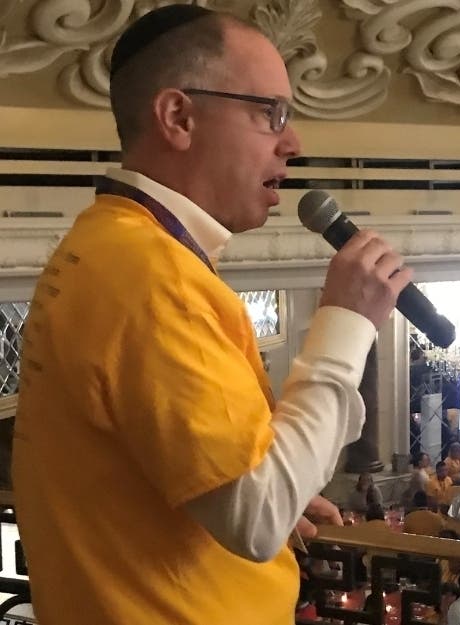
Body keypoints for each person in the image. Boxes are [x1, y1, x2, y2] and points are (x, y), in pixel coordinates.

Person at [12, 7, 416, 624]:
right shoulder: (150, 277)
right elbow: (257, 518)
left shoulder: (107, 243)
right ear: (179, 117)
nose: (293, 142)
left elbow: (158, 464)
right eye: (270, 112)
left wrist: (259, 492)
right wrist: (345, 324)